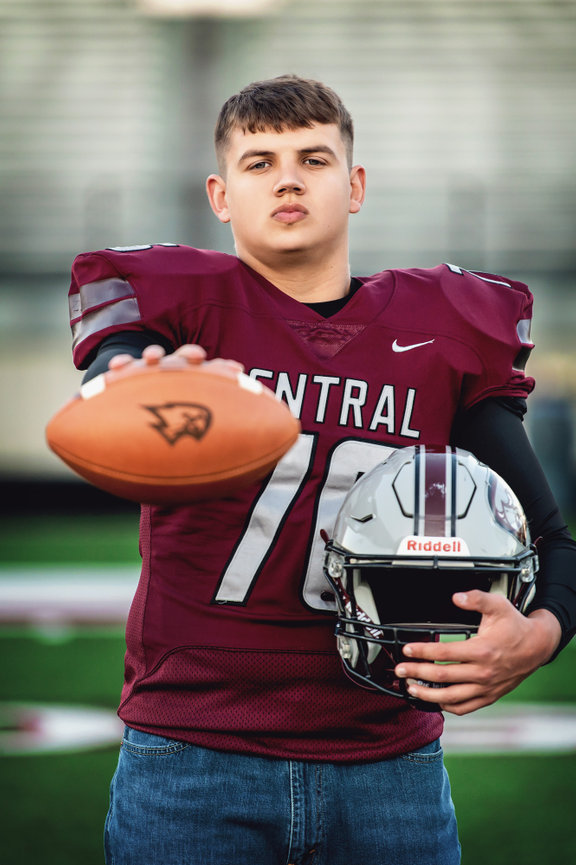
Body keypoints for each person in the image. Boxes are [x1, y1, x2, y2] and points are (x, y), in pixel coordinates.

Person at [67, 75, 576, 865]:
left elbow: (552, 538)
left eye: (314, 157)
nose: (290, 179)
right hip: (191, 754)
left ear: (357, 183)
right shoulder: (179, 311)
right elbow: (117, 357)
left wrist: (539, 635)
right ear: (220, 194)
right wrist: (129, 377)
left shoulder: (443, 329)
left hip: (388, 766)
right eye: (260, 163)